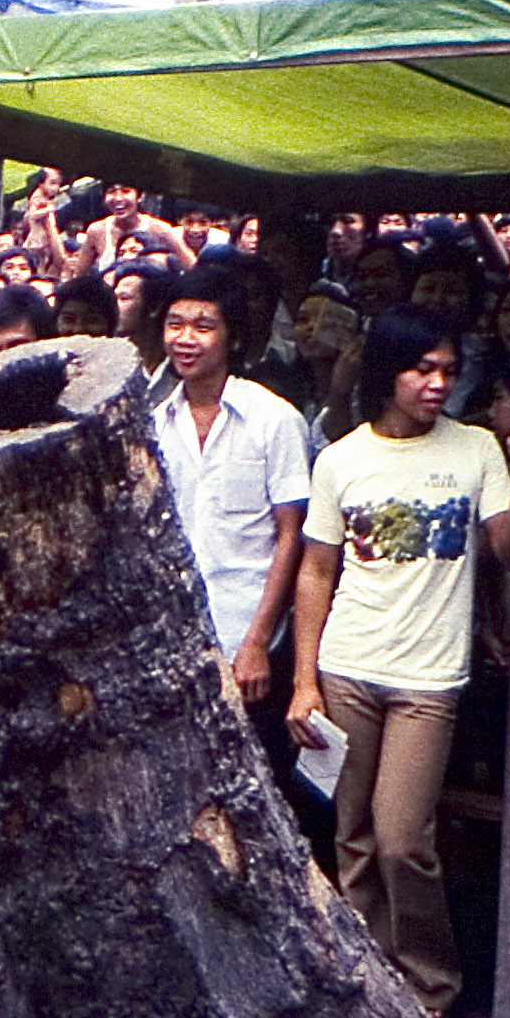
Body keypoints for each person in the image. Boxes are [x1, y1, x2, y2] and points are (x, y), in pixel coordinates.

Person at [285, 307, 510, 1018]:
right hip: (349, 661)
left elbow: (507, 548)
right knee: (349, 834)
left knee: (400, 837)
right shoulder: (342, 457)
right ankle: (365, 976)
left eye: (448, 370)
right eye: (423, 369)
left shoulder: (476, 449)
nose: (437, 383)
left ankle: (430, 982)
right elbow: (316, 571)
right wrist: (304, 677)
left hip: (429, 677)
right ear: (388, 373)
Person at [149, 265, 309, 804]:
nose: (185, 339)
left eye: (202, 326)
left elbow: (291, 535)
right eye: (175, 325)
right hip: (173, 639)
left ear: (233, 335)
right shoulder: (155, 424)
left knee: (252, 792)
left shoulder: (274, 419)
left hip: (248, 637)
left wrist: (257, 642)